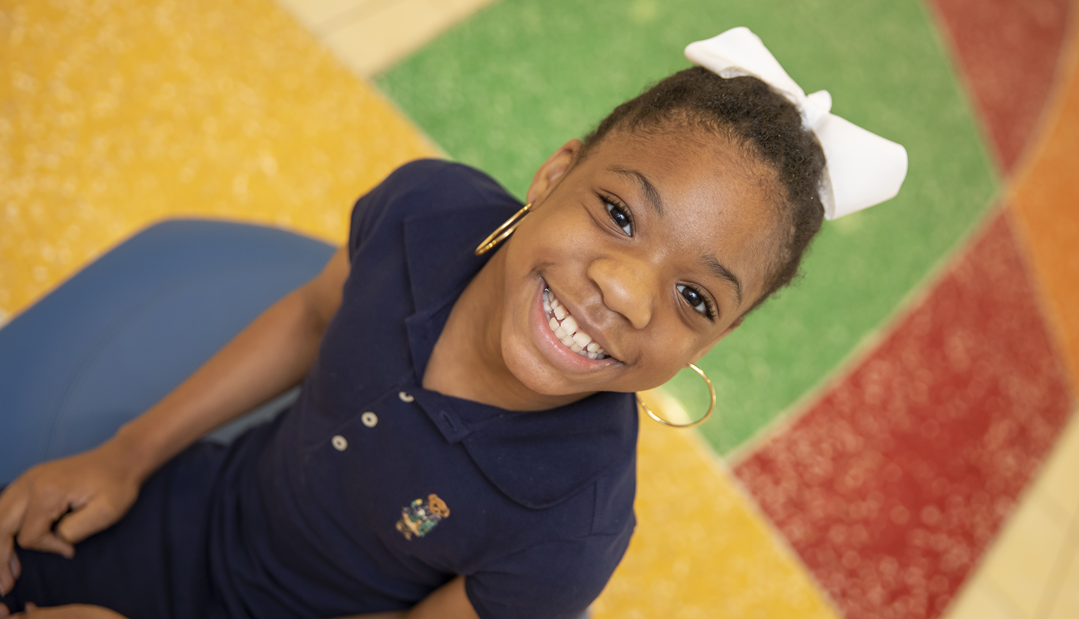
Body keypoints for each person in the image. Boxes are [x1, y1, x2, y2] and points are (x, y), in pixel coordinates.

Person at [0, 28, 905, 619]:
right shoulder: (424, 211)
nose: (630, 293)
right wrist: (125, 455)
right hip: (196, 511)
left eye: (696, 299)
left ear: (715, 342)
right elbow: (314, 316)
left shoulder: (573, 524)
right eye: (620, 215)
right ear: (554, 175)